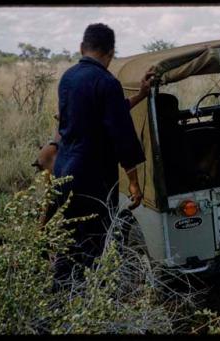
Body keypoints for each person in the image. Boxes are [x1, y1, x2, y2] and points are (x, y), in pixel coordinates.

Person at [48, 23, 153, 291]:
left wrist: (140, 95)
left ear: (82, 48)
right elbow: (121, 133)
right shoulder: (106, 82)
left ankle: (59, 292)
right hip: (92, 176)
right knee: (94, 241)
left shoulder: (68, 77)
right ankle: (88, 301)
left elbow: (104, 112)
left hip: (64, 170)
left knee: (72, 236)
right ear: (111, 52)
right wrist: (133, 181)